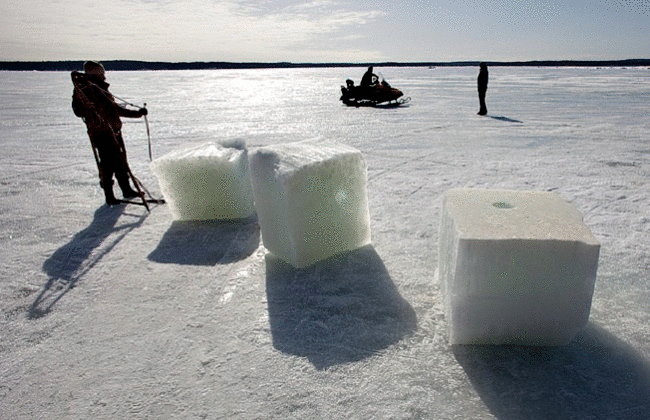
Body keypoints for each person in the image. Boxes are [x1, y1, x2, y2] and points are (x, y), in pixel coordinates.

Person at [71, 61, 148, 205]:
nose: (104, 75)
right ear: (95, 73)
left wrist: (137, 113)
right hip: (102, 132)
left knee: (120, 161)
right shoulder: (84, 89)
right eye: (101, 72)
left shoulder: (99, 87)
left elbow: (113, 109)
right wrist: (137, 114)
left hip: (113, 130)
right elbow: (79, 110)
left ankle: (126, 190)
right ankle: (109, 196)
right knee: (107, 164)